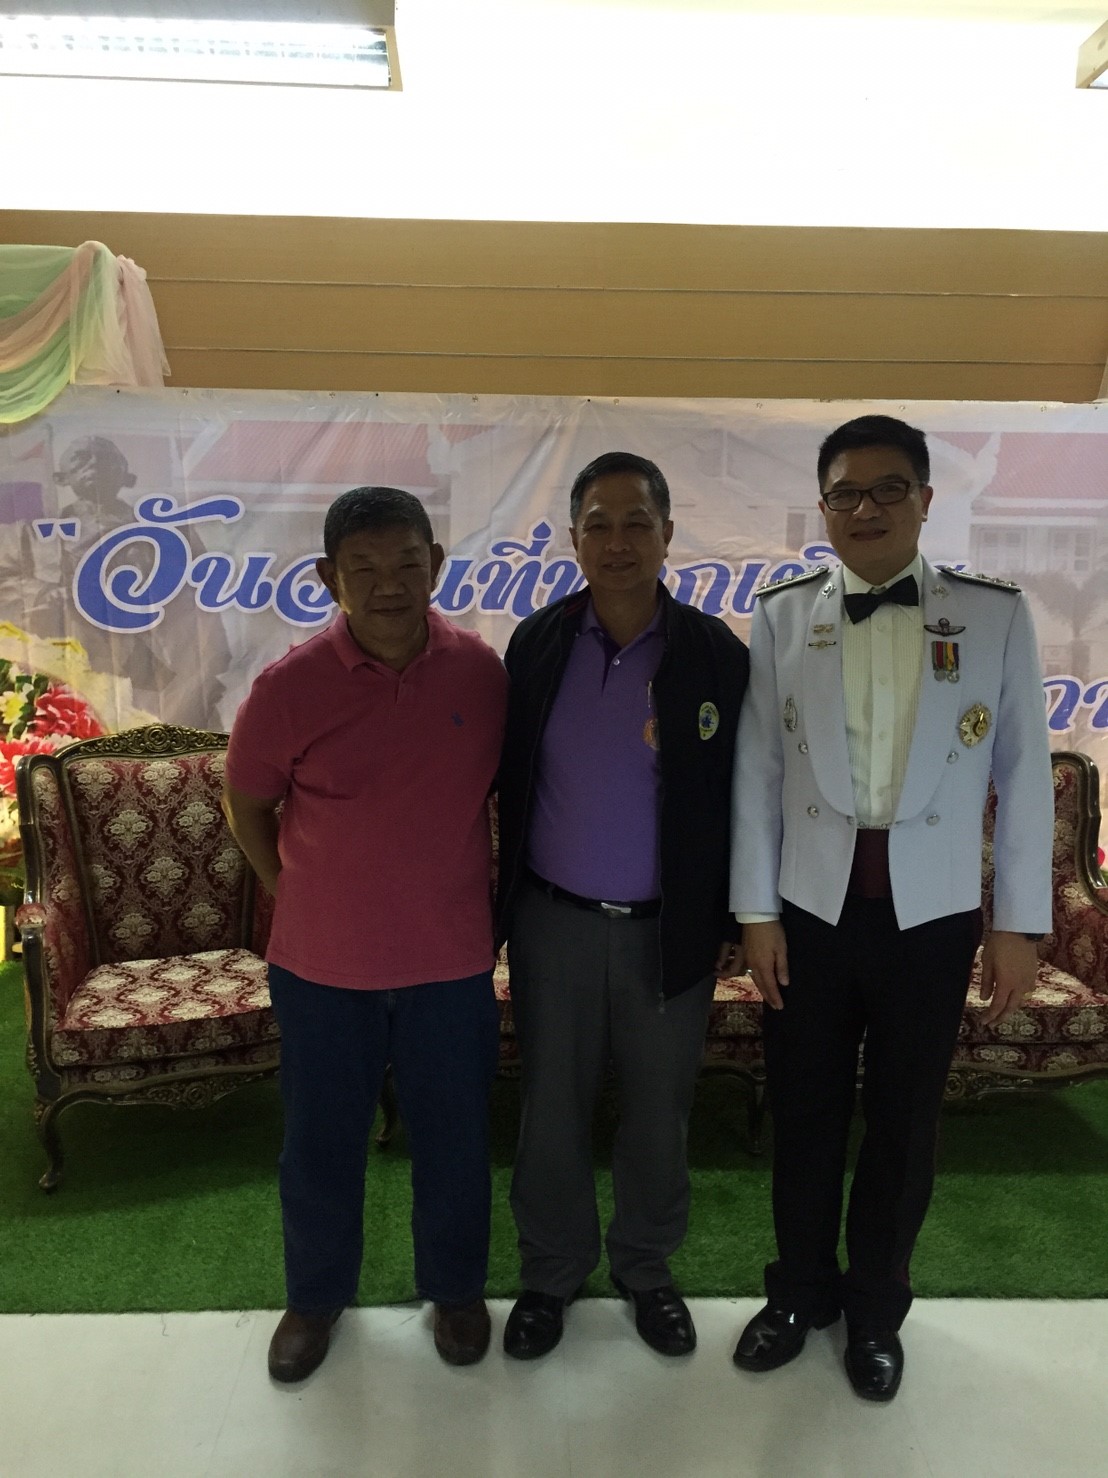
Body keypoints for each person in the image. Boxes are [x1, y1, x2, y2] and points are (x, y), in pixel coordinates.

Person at [730, 414, 1053, 1402]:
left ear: (924, 499)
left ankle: (875, 1308)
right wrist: (755, 912)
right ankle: (797, 1294)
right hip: (809, 909)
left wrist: (1016, 922)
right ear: (822, 506)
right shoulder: (783, 614)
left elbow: (1024, 773)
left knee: (905, 1123)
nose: (863, 508)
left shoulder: (994, 615)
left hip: (933, 912)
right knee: (804, 1111)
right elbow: (758, 768)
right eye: (844, 492)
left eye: (886, 489)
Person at [223, 486, 508, 1382]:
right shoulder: (288, 688)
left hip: (449, 961)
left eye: (408, 564)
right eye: (365, 569)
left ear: (437, 564)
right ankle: (314, 1301)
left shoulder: (482, 675)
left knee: (455, 1140)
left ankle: (455, 1292)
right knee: (320, 1143)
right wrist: (293, 890)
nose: (390, 585)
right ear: (328, 579)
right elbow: (246, 804)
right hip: (322, 966)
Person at [496, 450, 749, 1360]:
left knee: (658, 1111)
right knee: (551, 1106)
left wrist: (735, 919)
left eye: (636, 522)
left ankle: (646, 1270)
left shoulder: (715, 655)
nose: (617, 542)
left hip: (667, 930)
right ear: (573, 538)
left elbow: (745, 796)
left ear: (668, 534)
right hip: (552, 921)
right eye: (597, 524)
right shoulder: (536, 644)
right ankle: (550, 1272)